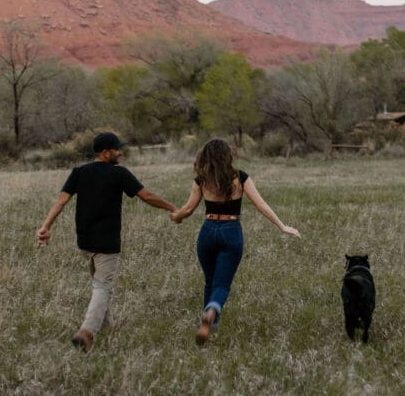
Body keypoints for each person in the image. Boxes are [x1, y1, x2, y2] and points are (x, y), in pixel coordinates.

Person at [36, 131, 176, 353]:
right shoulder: (119, 174)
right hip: (107, 242)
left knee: (101, 285)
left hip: (84, 241)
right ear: (105, 152)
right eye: (117, 149)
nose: (120, 153)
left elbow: (61, 201)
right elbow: (146, 196)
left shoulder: (79, 172)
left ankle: (110, 326)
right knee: (102, 287)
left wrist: (45, 226)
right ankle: (87, 332)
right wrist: (173, 208)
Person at [170, 138, 301, 345]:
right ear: (227, 155)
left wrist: (176, 217)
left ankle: (207, 322)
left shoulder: (201, 180)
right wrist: (281, 225)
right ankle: (212, 311)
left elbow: (187, 209)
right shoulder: (239, 178)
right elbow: (260, 204)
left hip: (208, 231)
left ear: (206, 156)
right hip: (231, 231)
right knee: (222, 284)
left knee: (210, 281)